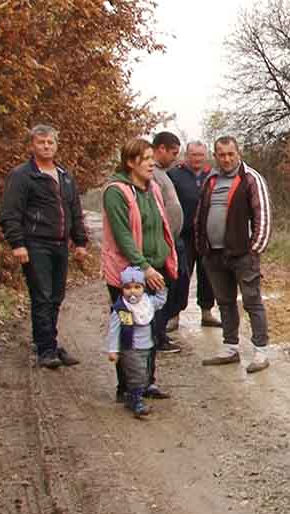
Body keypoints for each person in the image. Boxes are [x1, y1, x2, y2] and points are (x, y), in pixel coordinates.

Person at [0, 124, 89, 369]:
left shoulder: (64, 175)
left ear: (56, 145)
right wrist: (17, 243)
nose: (46, 146)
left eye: (50, 142)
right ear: (32, 145)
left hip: (60, 243)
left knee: (56, 297)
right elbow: (10, 212)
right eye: (41, 142)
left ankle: (49, 341)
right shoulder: (22, 175)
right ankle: (46, 349)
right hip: (35, 242)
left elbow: (74, 210)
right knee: (42, 295)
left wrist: (80, 241)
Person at [100, 138, 178, 402]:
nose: (152, 163)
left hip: (156, 269)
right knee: (130, 330)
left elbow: (162, 224)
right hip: (129, 275)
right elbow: (123, 237)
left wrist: (166, 259)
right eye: (146, 159)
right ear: (131, 162)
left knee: (153, 328)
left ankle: (147, 382)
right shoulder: (116, 191)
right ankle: (128, 388)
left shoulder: (152, 188)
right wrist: (144, 268)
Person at [196, 136, 272, 373]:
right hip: (214, 255)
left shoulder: (250, 178)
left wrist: (254, 249)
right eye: (221, 154)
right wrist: (202, 247)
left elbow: (263, 215)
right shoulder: (210, 179)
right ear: (215, 155)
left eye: (231, 154)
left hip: (242, 255)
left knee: (252, 302)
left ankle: (260, 351)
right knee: (225, 302)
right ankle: (230, 347)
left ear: (238, 153)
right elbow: (200, 214)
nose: (226, 159)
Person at [168, 141, 220, 329]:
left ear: (205, 156)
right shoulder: (174, 174)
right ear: (186, 155)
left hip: (207, 235)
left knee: (208, 275)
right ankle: (174, 315)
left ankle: (207, 312)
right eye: (193, 155)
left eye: (200, 155)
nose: (196, 158)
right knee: (181, 274)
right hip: (184, 235)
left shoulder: (214, 175)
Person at [107, 266, 166, 418]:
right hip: (130, 348)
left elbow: (160, 300)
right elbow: (114, 331)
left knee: (145, 373)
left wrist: (161, 286)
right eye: (127, 288)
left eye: (137, 287)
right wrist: (113, 350)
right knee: (137, 375)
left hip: (148, 346)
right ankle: (135, 399)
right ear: (122, 289)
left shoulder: (148, 303)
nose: (132, 291)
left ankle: (134, 395)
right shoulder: (121, 309)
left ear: (143, 288)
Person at [150, 131, 184, 354]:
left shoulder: (162, 173)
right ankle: (156, 338)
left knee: (171, 289)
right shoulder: (150, 173)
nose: (175, 158)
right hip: (160, 245)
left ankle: (159, 334)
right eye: (173, 153)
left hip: (171, 242)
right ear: (160, 148)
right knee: (160, 293)